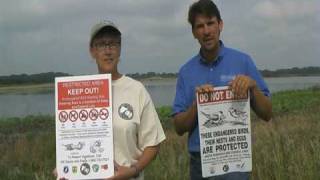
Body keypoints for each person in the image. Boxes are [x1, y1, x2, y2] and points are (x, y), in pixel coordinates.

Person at [172, 0, 272, 180]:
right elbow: (179, 127)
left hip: (236, 161)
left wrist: (253, 87)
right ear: (194, 33)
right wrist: (197, 105)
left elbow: (267, 113)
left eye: (210, 23)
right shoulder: (186, 72)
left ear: (220, 25)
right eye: (200, 26)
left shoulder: (243, 61)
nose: (206, 31)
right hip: (200, 163)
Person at [55, 20, 166, 180]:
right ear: (92, 51)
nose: (108, 51)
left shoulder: (137, 90)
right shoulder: (78, 92)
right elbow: (71, 143)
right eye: (101, 44)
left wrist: (133, 170)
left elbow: (153, 144)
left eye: (113, 44)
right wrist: (65, 167)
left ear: (120, 49)